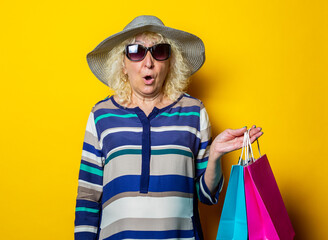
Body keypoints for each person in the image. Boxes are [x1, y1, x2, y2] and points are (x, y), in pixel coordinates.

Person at [74, 15, 262, 240]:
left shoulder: (194, 111)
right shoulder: (101, 115)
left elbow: (206, 195)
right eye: (136, 51)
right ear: (122, 64)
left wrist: (214, 156)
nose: (148, 62)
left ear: (171, 62)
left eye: (159, 51)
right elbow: (88, 197)